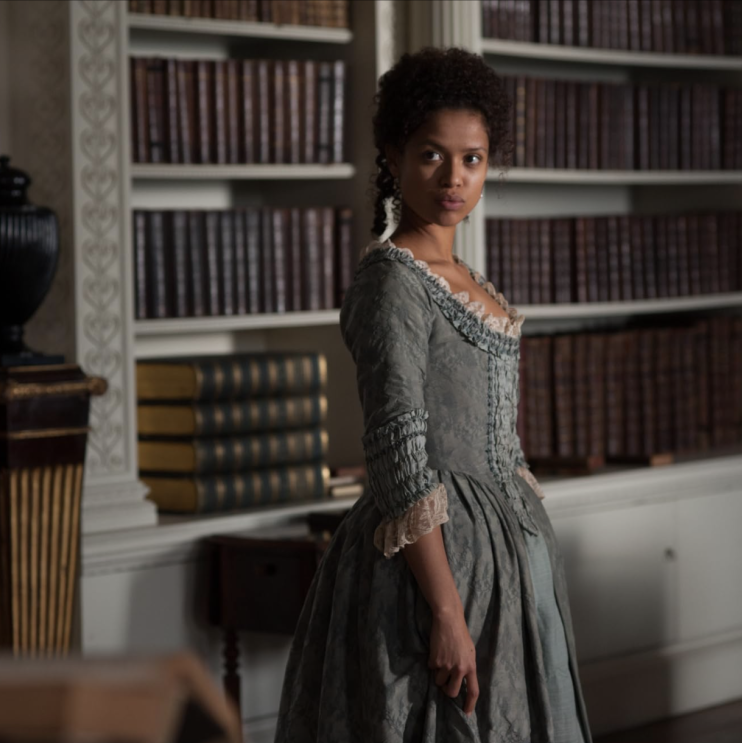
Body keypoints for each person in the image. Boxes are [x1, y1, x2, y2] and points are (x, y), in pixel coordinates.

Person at [274, 47, 592, 743]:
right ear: (393, 153)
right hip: (433, 571)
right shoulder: (392, 281)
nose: (453, 177)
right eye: (431, 155)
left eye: (472, 158)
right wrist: (446, 612)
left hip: (511, 564)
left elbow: (501, 446)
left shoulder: (470, 279)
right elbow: (398, 455)